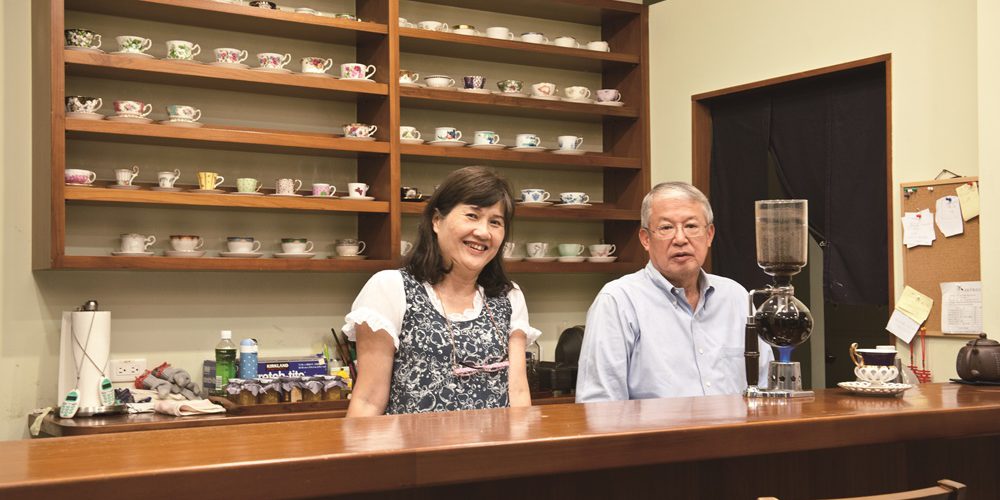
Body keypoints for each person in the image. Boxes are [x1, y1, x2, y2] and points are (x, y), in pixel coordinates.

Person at [344, 166, 540, 416]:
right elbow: (368, 402)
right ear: (437, 221)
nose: (483, 232)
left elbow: (519, 395)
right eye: (472, 215)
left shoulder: (508, 297)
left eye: (495, 222)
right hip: (414, 453)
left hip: (492, 453)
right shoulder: (392, 288)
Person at [575, 182, 774, 401]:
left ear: (709, 235)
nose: (680, 239)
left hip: (735, 434)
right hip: (654, 435)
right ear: (645, 239)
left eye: (691, 226)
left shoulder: (736, 297)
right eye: (666, 228)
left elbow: (766, 389)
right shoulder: (618, 301)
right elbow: (598, 406)